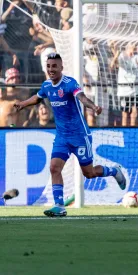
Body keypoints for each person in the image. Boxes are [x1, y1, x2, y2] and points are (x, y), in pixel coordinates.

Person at [14, 53, 126, 217]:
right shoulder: (46, 86)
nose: (51, 69)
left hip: (80, 136)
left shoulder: (69, 83)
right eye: (49, 66)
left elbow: (81, 97)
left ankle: (114, 171)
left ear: (61, 68)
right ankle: (59, 205)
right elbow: (37, 98)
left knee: (89, 173)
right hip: (62, 137)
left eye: (54, 66)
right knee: (54, 167)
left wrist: (93, 107)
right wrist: (23, 104)